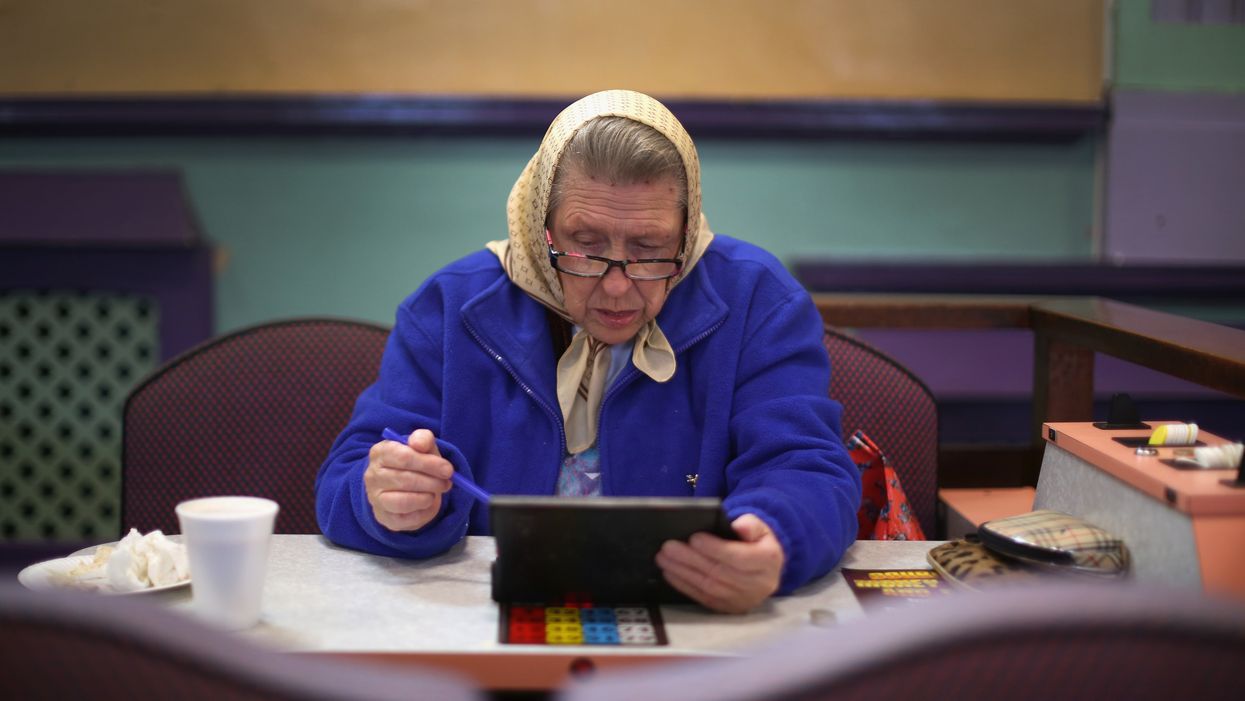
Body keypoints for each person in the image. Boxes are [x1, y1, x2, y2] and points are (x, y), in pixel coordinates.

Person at [315, 90, 861, 613]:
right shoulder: (453, 306)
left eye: (650, 250)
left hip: (697, 626)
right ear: (540, 227)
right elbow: (349, 474)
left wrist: (773, 539)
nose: (618, 286)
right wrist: (388, 502)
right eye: (585, 246)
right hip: (480, 622)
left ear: (687, 232)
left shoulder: (756, 300)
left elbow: (806, 466)